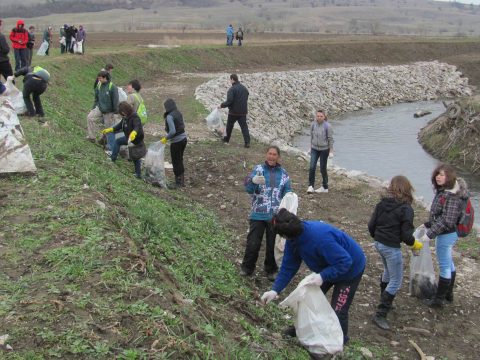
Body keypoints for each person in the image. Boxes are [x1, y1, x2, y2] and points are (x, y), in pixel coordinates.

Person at [261, 208, 366, 345]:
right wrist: (275, 290)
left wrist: (323, 276)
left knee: (338, 310)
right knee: (306, 299)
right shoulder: (293, 240)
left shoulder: (320, 238)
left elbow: (345, 262)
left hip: (350, 270)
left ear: (288, 234)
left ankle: (340, 342)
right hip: (326, 268)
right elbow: (288, 267)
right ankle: (301, 330)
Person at [368, 175, 423, 330]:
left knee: (387, 271)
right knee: (396, 280)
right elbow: (406, 235)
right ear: (407, 190)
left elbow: (371, 224)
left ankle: (384, 299)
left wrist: (377, 237)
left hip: (379, 243)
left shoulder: (382, 203)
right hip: (391, 247)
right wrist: (414, 244)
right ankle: (380, 314)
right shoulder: (406, 209)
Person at [241, 146, 292, 280]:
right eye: (269, 154)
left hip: (275, 216)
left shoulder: (284, 174)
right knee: (253, 243)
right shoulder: (258, 170)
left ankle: (271, 270)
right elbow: (247, 187)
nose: (271, 157)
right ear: (266, 155)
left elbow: (288, 193)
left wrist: (289, 205)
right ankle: (247, 268)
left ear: (278, 157)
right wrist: (253, 181)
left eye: (274, 154)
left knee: (272, 245)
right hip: (258, 213)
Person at [421, 164, 467, 308]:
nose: (438, 177)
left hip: (447, 234)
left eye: (442, 175)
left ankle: (438, 300)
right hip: (447, 233)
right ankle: (448, 294)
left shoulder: (452, 196)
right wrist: (428, 224)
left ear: (449, 177)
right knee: (449, 262)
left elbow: (448, 220)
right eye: (437, 174)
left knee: (444, 265)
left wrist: (429, 235)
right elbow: (439, 214)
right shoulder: (444, 191)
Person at [102, 102, 145, 179]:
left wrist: (134, 132)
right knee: (118, 141)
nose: (121, 114)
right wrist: (110, 129)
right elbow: (119, 126)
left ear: (125, 110)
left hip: (135, 140)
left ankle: (138, 174)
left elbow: (137, 126)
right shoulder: (125, 117)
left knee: (135, 157)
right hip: (128, 138)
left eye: (122, 112)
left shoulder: (135, 117)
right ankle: (113, 158)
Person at [86, 70, 119, 151]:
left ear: (105, 78)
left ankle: (108, 146)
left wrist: (115, 112)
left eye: (100, 79)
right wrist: (93, 108)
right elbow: (96, 98)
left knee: (108, 129)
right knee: (89, 117)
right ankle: (91, 137)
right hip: (100, 108)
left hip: (109, 112)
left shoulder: (112, 87)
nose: (99, 80)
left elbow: (115, 101)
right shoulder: (99, 85)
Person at [219, 74, 250, 148]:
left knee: (229, 126)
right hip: (243, 112)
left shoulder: (232, 89)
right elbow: (247, 95)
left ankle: (226, 140)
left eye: (230, 79)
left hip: (233, 112)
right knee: (244, 127)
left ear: (232, 79)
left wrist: (221, 105)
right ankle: (247, 143)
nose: (230, 81)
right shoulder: (244, 88)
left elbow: (229, 101)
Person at [161, 99, 187, 187]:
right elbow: (182, 125)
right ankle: (182, 181)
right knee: (180, 159)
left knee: (176, 161)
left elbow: (172, 131)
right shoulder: (178, 112)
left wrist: (165, 138)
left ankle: (178, 182)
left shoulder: (169, 116)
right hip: (184, 139)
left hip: (176, 141)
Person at [307, 109, 334, 194]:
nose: (319, 118)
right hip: (314, 148)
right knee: (312, 167)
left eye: (321, 116)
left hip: (324, 150)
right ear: (316, 116)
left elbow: (330, 139)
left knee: (323, 168)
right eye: (318, 116)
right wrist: (310, 147)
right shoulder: (313, 125)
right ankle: (310, 186)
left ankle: (325, 187)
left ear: (324, 116)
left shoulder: (328, 126)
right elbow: (311, 137)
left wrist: (331, 151)